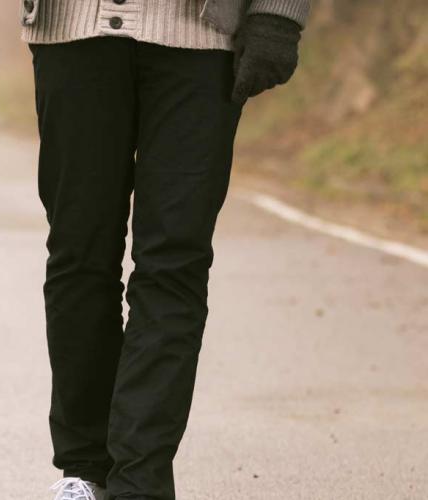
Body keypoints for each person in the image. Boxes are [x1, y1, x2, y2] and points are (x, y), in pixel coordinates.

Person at [21, 1, 309, 499]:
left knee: (174, 263)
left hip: (200, 41)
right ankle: (85, 470)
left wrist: (278, 12)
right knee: (78, 255)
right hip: (72, 32)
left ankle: (140, 482)